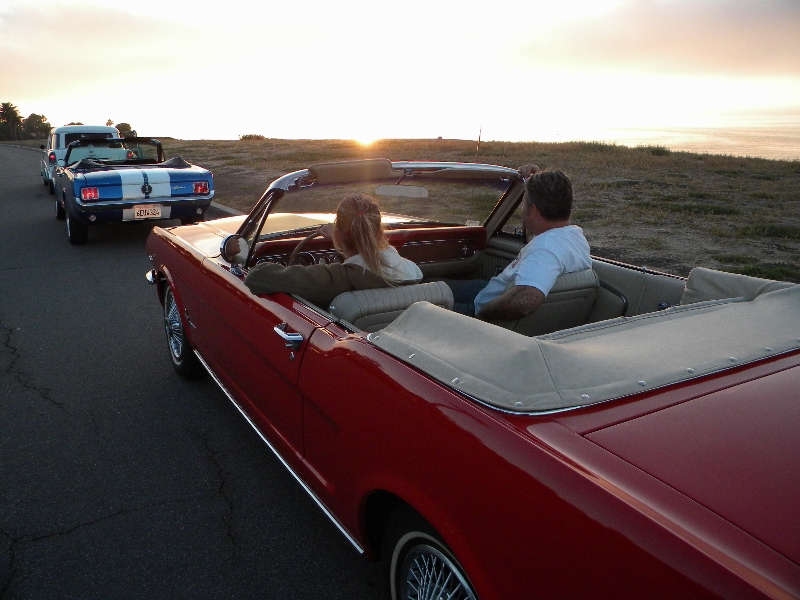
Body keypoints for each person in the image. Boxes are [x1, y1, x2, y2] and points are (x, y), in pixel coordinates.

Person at [447, 167, 591, 321]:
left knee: (423, 297)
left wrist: (480, 316)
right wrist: (537, 179)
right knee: (435, 285)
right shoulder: (573, 236)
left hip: (479, 309)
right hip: (489, 291)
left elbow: (526, 302)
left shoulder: (544, 249)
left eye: (524, 203)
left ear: (534, 211)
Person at [242, 193, 423, 307]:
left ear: (338, 236)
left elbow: (257, 277)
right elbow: (369, 264)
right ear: (379, 232)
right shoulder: (412, 271)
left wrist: (338, 243)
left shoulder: (334, 280)